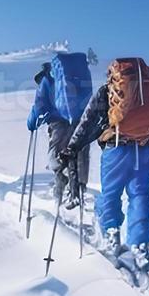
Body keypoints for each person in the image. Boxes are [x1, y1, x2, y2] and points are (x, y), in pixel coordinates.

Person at [61, 57, 149, 271]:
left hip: (116, 149)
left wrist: (72, 147)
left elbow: (88, 120)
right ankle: (141, 244)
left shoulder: (106, 92)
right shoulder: (148, 96)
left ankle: (111, 233)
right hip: (145, 149)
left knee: (110, 193)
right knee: (140, 194)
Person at [29, 54, 93, 209]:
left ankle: (60, 184)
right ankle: (80, 186)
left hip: (58, 123)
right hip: (80, 120)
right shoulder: (78, 76)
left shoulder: (46, 80)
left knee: (57, 156)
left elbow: (39, 105)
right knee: (78, 152)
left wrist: (31, 123)